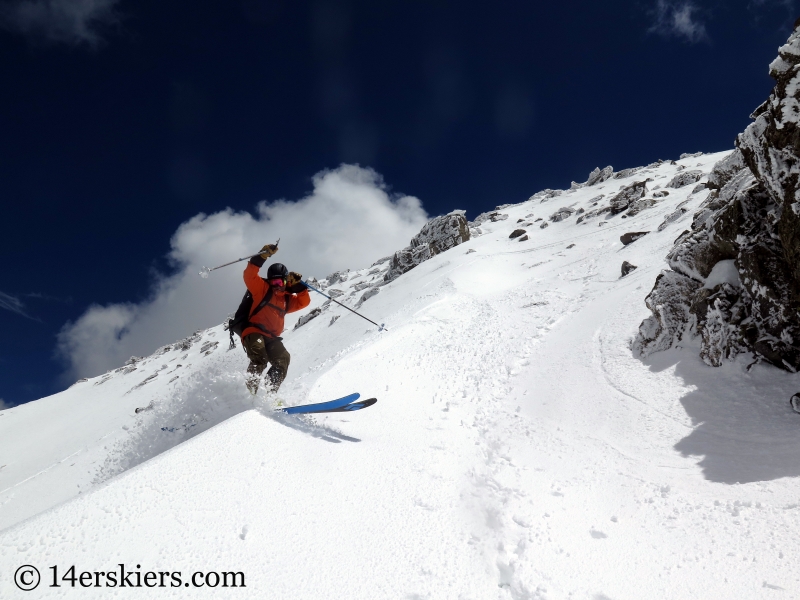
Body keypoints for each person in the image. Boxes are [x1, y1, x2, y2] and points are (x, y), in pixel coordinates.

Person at [241, 243, 310, 395]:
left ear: (286, 282)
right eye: (274, 282)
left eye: (280, 282)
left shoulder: (286, 300)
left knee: (283, 359)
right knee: (260, 357)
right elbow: (249, 276)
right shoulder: (262, 289)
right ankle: (249, 394)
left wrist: (299, 287)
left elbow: (303, 302)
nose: (277, 286)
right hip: (254, 331)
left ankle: (269, 394)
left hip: (271, 337)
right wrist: (262, 256)